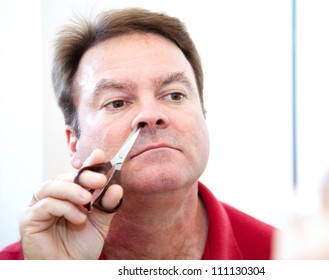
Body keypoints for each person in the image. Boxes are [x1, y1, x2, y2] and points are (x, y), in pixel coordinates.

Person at [0, 8, 274, 260]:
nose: (151, 115)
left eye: (175, 95)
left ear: (203, 115)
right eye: (117, 102)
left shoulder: (283, 256)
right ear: (74, 143)